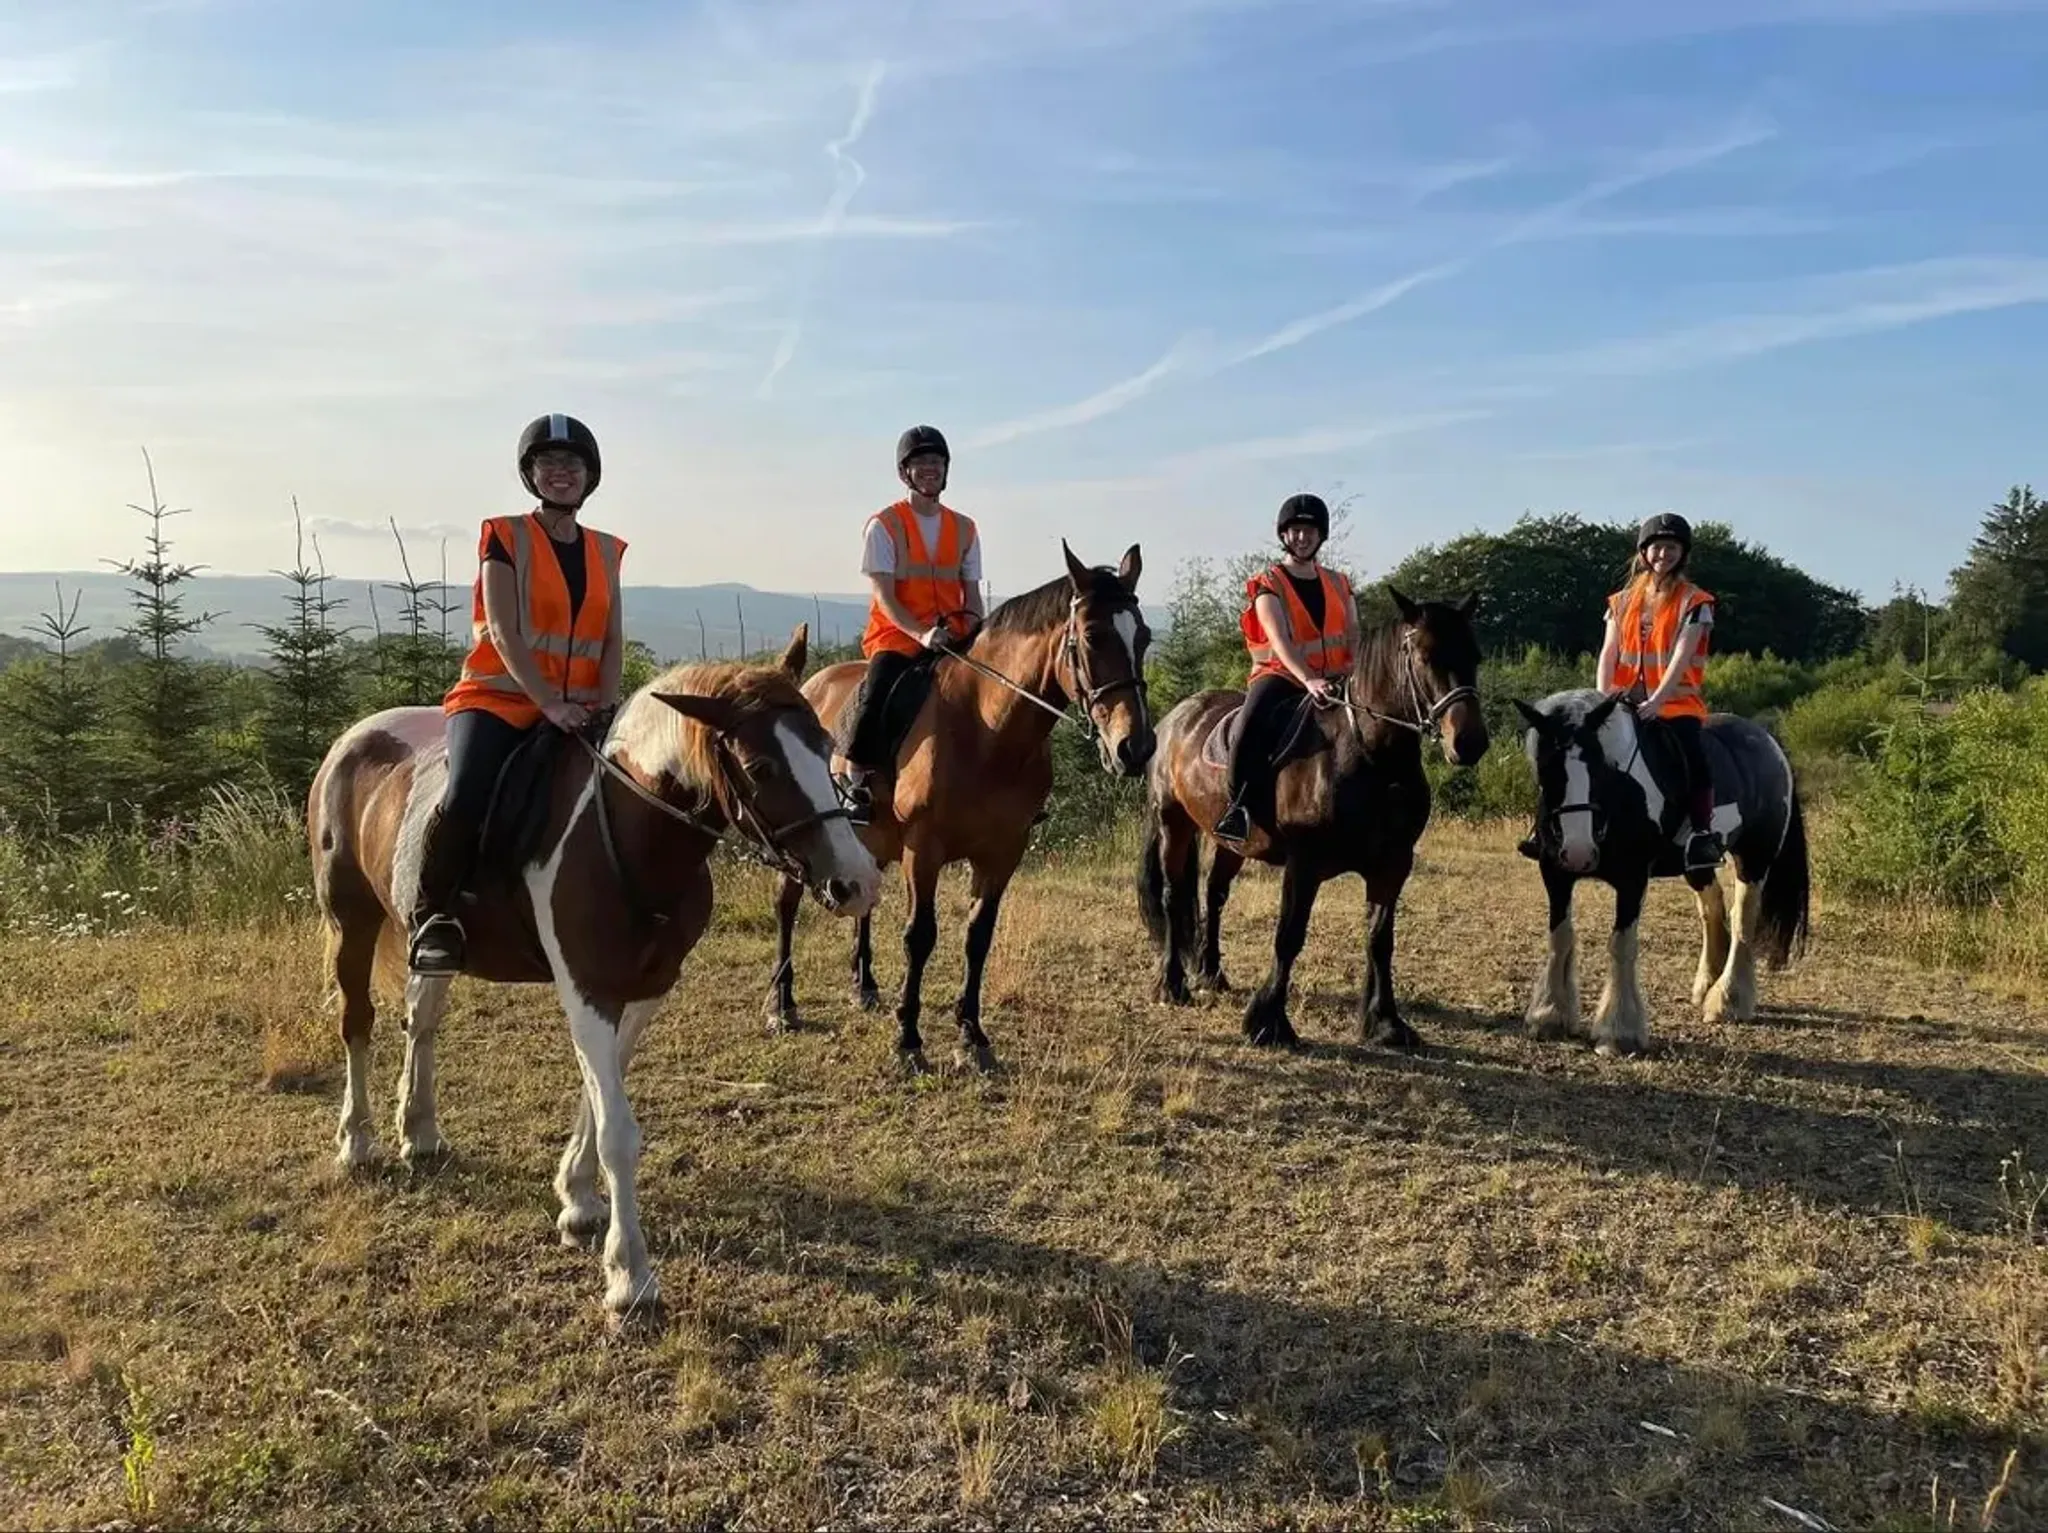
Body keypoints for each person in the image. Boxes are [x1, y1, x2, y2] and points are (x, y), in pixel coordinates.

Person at [407, 413, 628, 976]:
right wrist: (546, 702)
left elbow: (610, 637)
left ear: (589, 475)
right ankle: (434, 915)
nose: (561, 473)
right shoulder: (505, 536)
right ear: (531, 474)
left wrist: (603, 709)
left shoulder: (605, 550)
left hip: (580, 709)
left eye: (572, 464)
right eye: (548, 464)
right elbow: (502, 629)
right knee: (467, 794)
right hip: (500, 699)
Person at [1518, 510, 1723, 880]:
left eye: (1672, 547)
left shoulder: (1696, 602)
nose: (1664, 554)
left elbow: (1680, 656)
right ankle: (1545, 830)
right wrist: (1601, 701)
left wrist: (1658, 701)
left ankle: (1702, 835)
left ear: (1683, 552)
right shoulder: (1621, 601)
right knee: (1569, 756)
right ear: (1644, 552)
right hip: (1621, 702)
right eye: (1657, 547)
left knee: (1694, 756)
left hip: (1675, 703)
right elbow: (1608, 652)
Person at [835, 424, 985, 823]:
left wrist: (976, 632)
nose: (930, 469)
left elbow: (971, 592)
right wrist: (920, 633)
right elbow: (884, 595)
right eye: (921, 463)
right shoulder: (884, 525)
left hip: (953, 635)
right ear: (906, 472)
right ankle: (856, 781)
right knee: (878, 690)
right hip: (898, 636)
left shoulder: (965, 528)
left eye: (936, 462)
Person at [1214, 493, 1359, 844]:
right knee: (1248, 726)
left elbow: (1354, 632)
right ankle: (1238, 808)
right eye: (1295, 530)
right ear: (1284, 534)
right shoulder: (1269, 583)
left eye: (1309, 530)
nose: (1302, 536)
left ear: (1321, 534)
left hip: (1337, 677)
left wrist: (1353, 672)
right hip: (1280, 676)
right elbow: (1279, 639)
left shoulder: (1340, 583)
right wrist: (1308, 679)